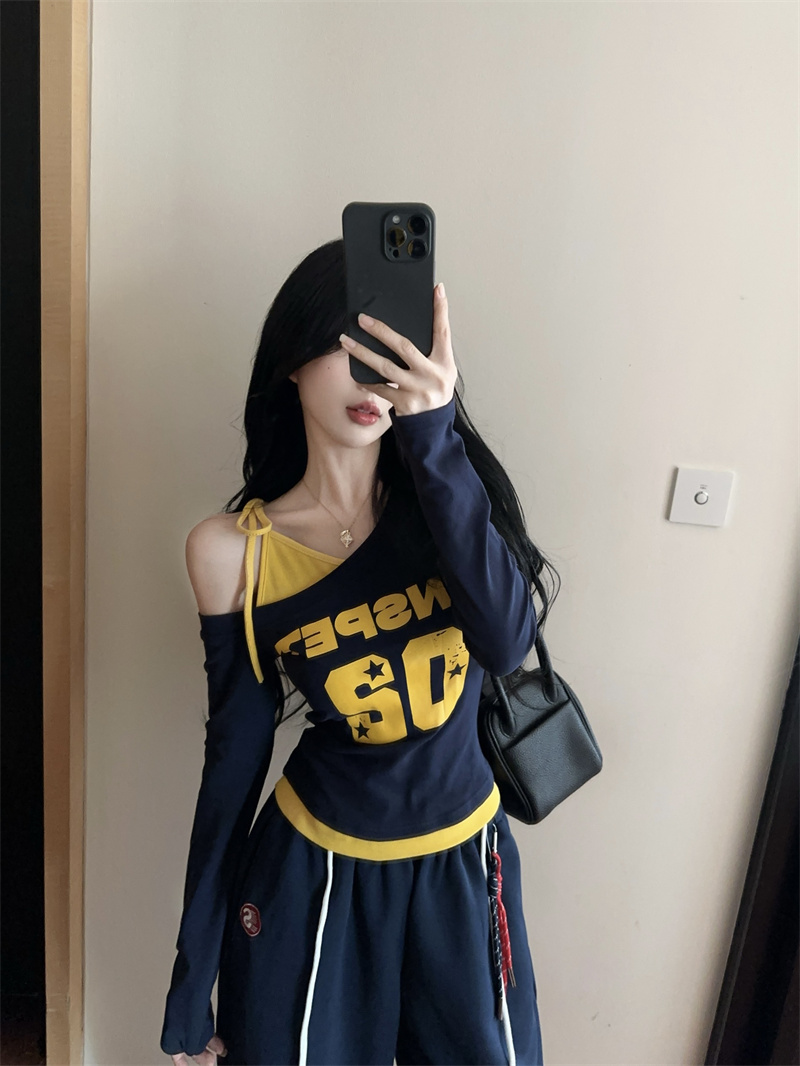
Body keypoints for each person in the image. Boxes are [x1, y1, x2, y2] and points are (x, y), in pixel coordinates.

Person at [160, 239, 560, 1066]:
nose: (371, 378)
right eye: (349, 347)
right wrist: (191, 983)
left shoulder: (448, 503)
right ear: (292, 362)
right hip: (315, 876)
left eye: (391, 352)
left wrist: (434, 431)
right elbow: (233, 762)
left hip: (462, 868)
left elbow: (505, 639)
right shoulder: (233, 552)